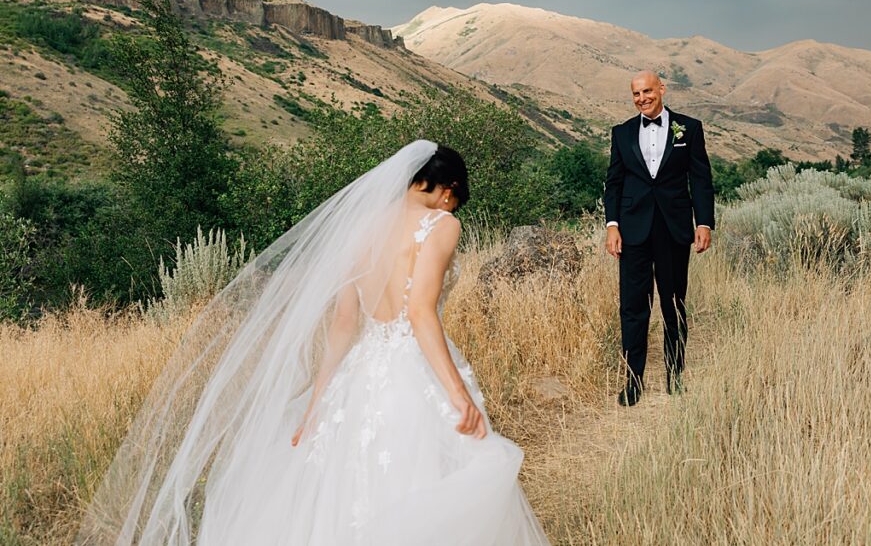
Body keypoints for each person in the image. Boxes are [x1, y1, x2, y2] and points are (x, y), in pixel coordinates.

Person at [76, 140, 549, 545]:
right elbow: (422, 313)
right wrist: (457, 392)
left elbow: (344, 323)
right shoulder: (441, 225)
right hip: (411, 373)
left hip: (359, 377)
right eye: (455, 199)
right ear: (448, 190)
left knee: (348, 493)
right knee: (430, 479)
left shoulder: (361, 228)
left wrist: (318, 400)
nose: (453, 207)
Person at [603, 71, 716, 406]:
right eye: (636, 94)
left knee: (673, 305)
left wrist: (705, 223)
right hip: (633, 231)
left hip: (674, 228)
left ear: (661, 89)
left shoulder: (689, 128)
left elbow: (700, 178)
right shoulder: (621, 133)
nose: (642, 98)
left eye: (647, 91)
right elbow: (615, 183)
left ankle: (674, 376)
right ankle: (633, 381)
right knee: (633, 308)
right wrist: (612, 225)